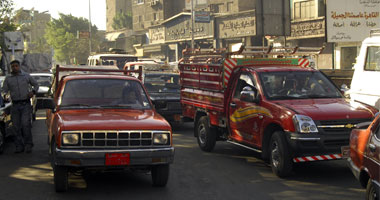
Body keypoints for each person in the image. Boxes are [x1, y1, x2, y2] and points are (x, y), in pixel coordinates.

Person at [2, 60, 39, 153]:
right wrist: (5, 95)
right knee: (16, 127)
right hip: (15, 105)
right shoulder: (8, 78)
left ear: (19, 67)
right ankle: (19, 146)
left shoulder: (26, 76)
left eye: (16, 66)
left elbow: (36, 84)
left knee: (25, 125)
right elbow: (4, 90)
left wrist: (33, 92)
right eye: (13, 66)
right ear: (11, 68)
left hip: (25, 104)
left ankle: (28, 144)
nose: (14, 68)